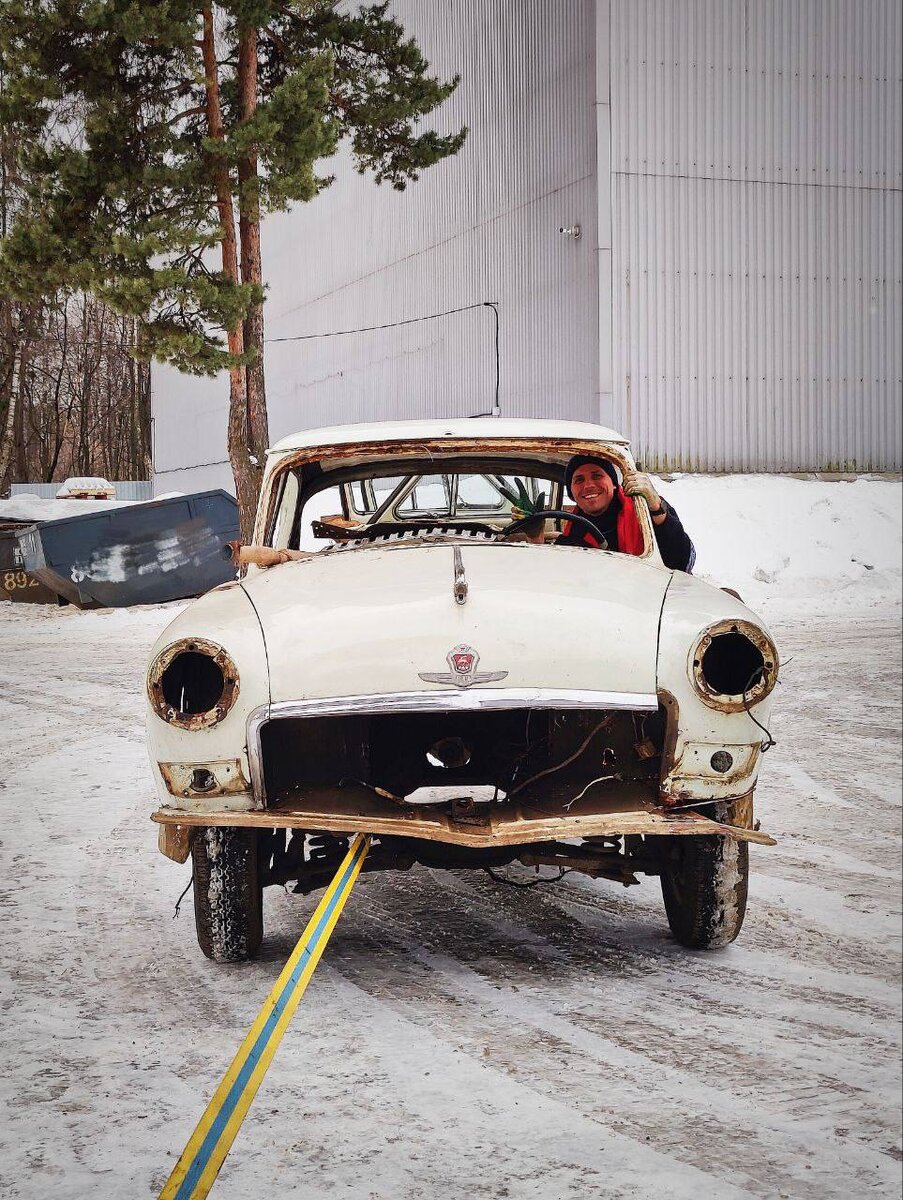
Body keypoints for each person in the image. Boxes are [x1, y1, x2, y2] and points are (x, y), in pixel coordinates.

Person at [555, 455, 696, 572]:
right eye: (579, 480)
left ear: (614, 484)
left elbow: (683, 562)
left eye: (597, 476)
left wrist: (656, 507)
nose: (588, 485)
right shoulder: (572, 533)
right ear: (572, 493)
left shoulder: (644, 508)